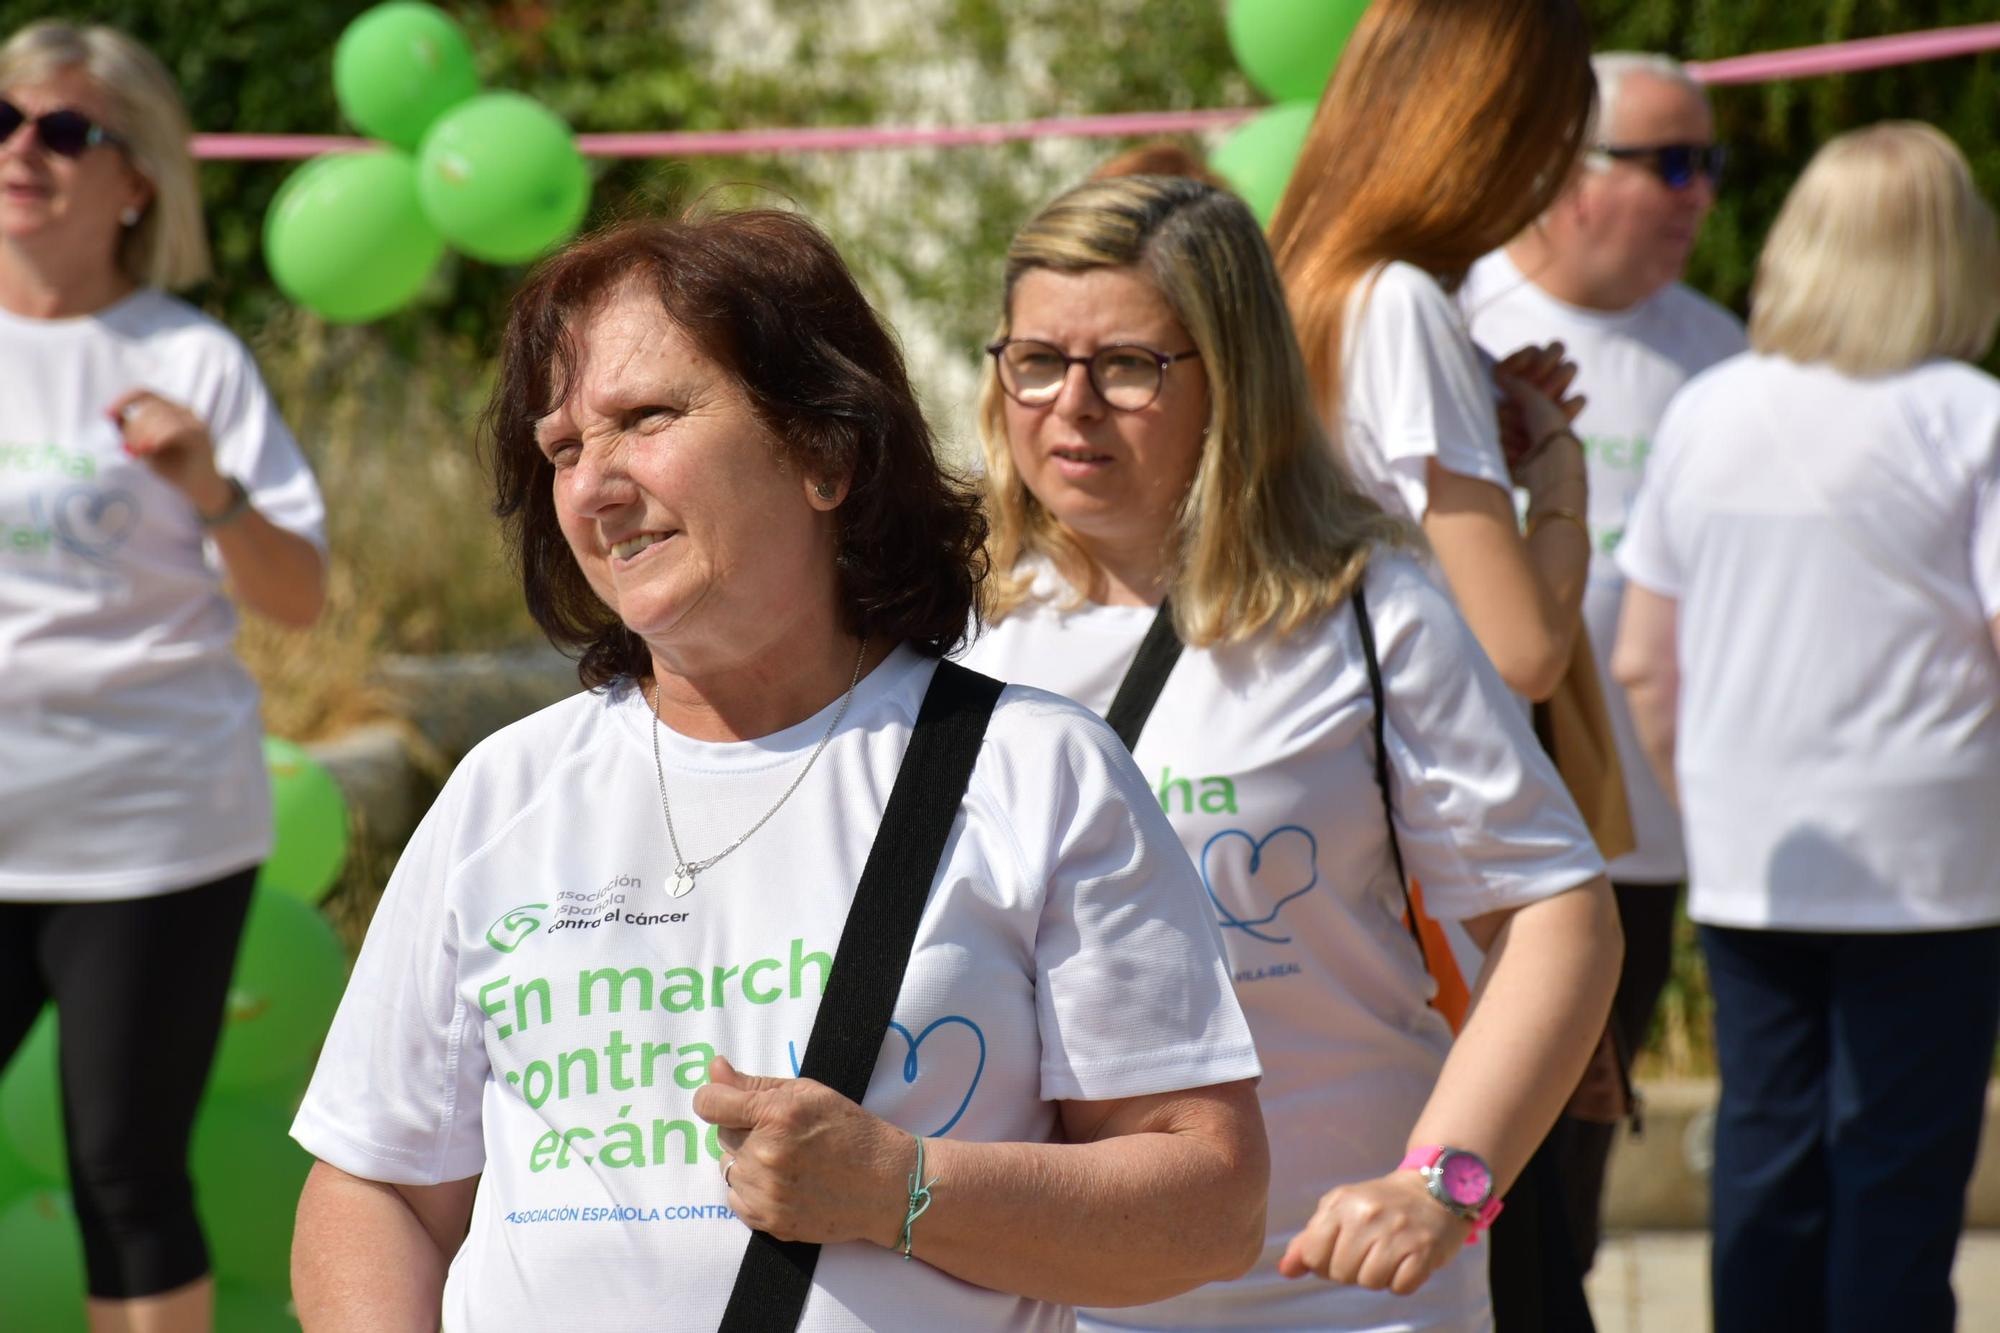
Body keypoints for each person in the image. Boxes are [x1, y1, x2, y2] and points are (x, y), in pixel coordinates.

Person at [288, 208, 1269, 1331]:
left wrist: (904, 1189)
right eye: (561, 448)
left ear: (823, 451)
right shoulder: (502, 793)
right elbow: (379, 1190)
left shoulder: (1034, 770)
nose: (593, 486)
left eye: (645, 419)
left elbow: (1208, 1204)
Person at [959, 172, 1620, 1332]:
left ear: (1234, 375)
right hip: (1042, 1292)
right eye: (1033, 360)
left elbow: (1554, 914)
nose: (1069, 407)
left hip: (1338, 1293)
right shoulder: (943, 622)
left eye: (1126, 364)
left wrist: (1443, 1187)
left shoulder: (1365, 607)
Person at [1611, 122, 2000, 1333]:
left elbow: (1641, 662)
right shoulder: (1970, 417)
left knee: (1764, 1154)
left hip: (1750, 850)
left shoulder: (1703, 410)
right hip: (1932, 860)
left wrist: (1704, 794)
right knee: (1897, 1169)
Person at [1268, 5, 1608, 1325]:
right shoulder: (1400, 302)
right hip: (1449, 852)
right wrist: (1562, 486)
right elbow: (1520, 643)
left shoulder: (1304, 280)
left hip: (1350, 834)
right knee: (1519, 1253)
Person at [0, 21, 328, 1332]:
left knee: (125, 1171)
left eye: (65, 129)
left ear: (137, 179)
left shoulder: (191, 362)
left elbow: (298, 599)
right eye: (4, 120)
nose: (22, 149)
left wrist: (211, 488)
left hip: (148, 828)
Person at [1459, 51, 1746, 1273]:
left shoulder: (1724, 352)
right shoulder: (1459, 319)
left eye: (1709, 166)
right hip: (1481, 829)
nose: (1697, 196)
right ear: (1566, 176)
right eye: (1669, 164)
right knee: (1478, 1173)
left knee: (1569, 1186)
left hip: (1645, 834)